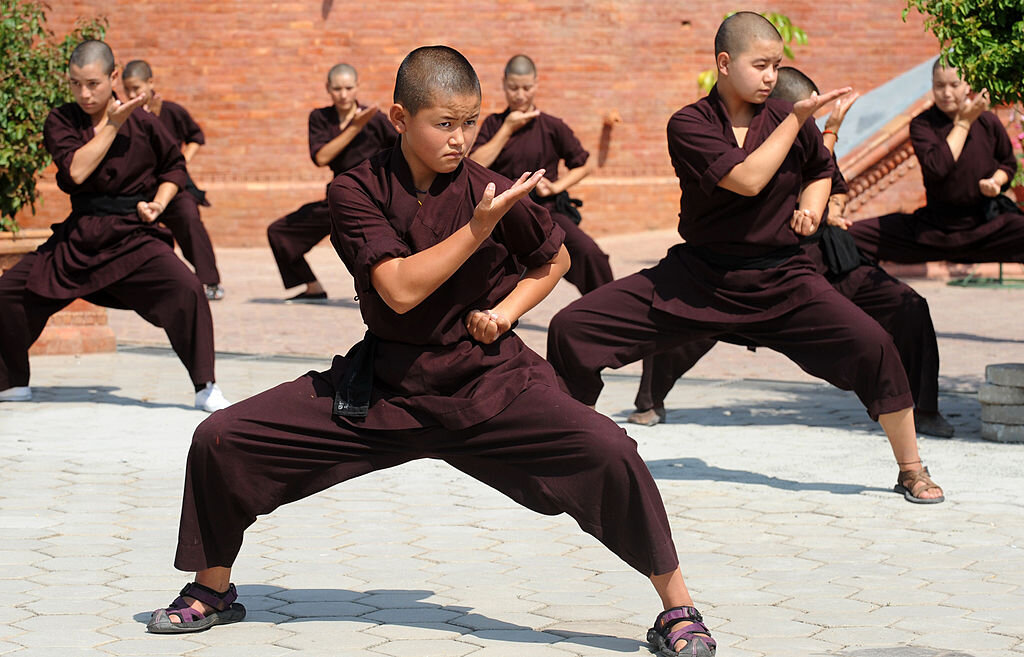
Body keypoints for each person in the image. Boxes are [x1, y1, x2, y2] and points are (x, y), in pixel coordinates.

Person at [147, 46, 715, 656]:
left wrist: (505, 312)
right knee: (222, 438)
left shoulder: (490, 188)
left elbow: (554, 260)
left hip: (489, 383)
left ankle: (677, 607)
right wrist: (478, 229)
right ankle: (213, 588)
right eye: (444, 123)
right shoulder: (356, 190)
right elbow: (396, 289)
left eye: (471, 122)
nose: (460, 139)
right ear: (399, 118)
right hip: (384, 386)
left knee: (609, 449)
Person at [546, 13, 945, 505]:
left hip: (783, 277)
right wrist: (799, 119)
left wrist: (812, 205)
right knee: (573, 328)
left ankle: (911, 468)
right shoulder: (690, 123)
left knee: (874, 344)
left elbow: (821, 168)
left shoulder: (784, 119)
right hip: (698, 276)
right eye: (761, 65)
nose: (771, 77)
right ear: (725, 63)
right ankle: (566, 451)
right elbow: (748, 178)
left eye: (777, 66)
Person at [629, 66, 953, 438]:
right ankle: (650, 400)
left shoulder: (808, 137)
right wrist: (829, 133)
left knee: (906, 304)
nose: (808, 127)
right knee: (682, 312)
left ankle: (923, 408)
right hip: (746, 266)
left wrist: (835, 208)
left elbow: (832, 182)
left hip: (824, 258)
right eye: (804, 118)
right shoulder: (740, 147)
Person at [0, 41, 228, 412]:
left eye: (92, 83)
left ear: (113, 76)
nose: (84, 93)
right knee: (8, 293)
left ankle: (205, 387)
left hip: (133, 236)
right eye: (75, 84)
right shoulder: (61, 120)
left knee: (187, 289)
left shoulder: (145, 123)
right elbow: (76, 169)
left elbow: (174, 168)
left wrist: (160, 202)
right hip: (79, 237)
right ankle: (9, 382)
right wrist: (112, 124)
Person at [849, 60, 1024, 265]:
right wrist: (964, 123)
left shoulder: (987, 121)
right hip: (933, 229)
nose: (946, 93)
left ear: (967, 85)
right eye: (939, 86)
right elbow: (938, 167)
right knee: (851, 236)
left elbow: (1008, 163)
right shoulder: (923, 124)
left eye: (954, 85)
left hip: (987, 225)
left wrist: (996, 181)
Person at [470, 54, 613, 294]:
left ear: (536, 85)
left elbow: (584, 165)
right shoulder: (494, 125)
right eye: (514, 88)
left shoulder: (552, 126)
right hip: (505, 216)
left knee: (591, 254)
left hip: (547, 211)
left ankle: (609, 313)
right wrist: (507, 128)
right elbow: (474, 163)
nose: (520, 94)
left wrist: (557, 187)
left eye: (527, 88)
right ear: (504, 84)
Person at [266, 63, 398, 303]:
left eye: (349, 88)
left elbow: (401, 150)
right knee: (279, 232)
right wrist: (355, 126)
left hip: (372, 198)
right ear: (328, 89)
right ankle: (312, 287)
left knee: (368, 247)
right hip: (337, 196)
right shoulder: (320, 118)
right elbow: (321, 157)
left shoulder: (375, 119)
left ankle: (385, 291)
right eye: (337, 88)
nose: (343, 94)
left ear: (357, 87)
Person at [121, 60, 224, 301]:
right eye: (128, 90)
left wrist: (183, 160)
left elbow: (196, 136)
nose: (133, 94)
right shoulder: (124, 116)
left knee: (189, 218)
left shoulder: (172, 112)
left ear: (150, 83)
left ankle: (209, 281)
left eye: (137, 88)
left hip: (175, 185)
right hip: (141, 188)